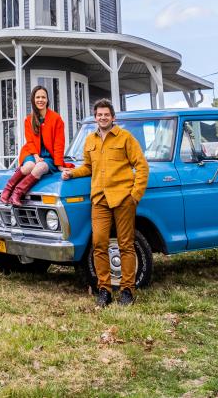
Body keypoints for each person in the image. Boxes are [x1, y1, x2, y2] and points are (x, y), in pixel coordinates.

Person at [62, 98, 149, 307]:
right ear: (95, 117)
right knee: (99, 244)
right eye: (99, 115)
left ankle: (128, 290)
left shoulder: (125, 138)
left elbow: (142, 166)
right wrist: (72, 173)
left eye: (106, 115)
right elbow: (88, 167)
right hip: (99, 199)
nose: (103, 118)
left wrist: (134, 195)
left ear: (113, 117)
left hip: (122, 198)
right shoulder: (90, 140)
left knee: (125, 244)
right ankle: (104, 290)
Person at [0, 85, 71, 206]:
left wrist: (59, 165)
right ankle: (7, 190)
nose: (40, 100)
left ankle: (17, 193)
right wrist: (36, 156)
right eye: (38, 97)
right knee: (29, 166)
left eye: (43, 97)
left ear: (47, 100)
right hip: (31, 152)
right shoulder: (29, 119)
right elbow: (30, 141)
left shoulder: (56, 119)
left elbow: (59, 143)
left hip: (49, 157)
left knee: (40, 168)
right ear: (33, 100)